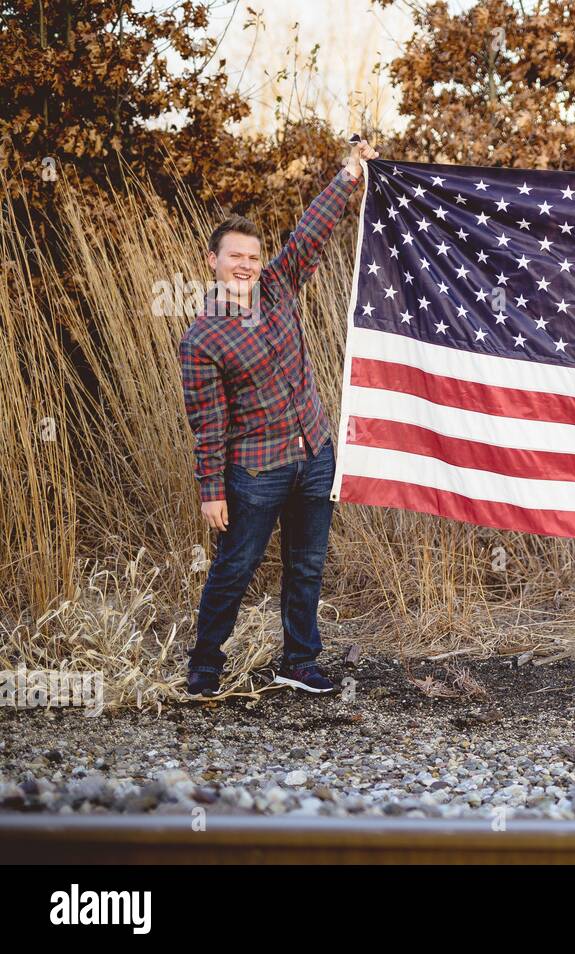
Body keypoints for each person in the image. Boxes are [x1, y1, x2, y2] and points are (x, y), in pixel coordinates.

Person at [180, 137, 379, 698]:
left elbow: (310, 233)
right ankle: (205, 663)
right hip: (256, 471)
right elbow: (208, 423)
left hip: (314, 454)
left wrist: (349, 174)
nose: (245, 264)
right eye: (234, 256)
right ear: (213, 262)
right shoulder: (201, 338)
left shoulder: (280, 285)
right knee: (235, 569)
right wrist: (210, 489)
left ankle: (299, 660)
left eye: (252, 255)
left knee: (307, 566)